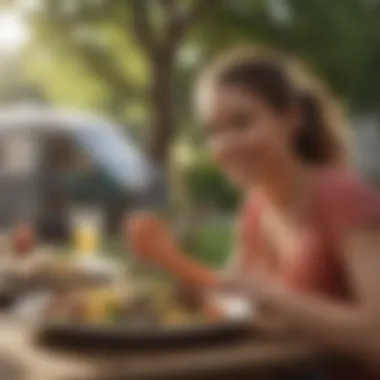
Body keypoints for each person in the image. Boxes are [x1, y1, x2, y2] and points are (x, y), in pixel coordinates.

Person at [124, 48, 380, 379]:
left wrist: (274, 297)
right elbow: (230, 296)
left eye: (241, 122)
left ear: (291, 120)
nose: (226, 144)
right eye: (214, 131)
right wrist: (171, 264)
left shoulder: (341, 196)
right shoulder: (257, 207)